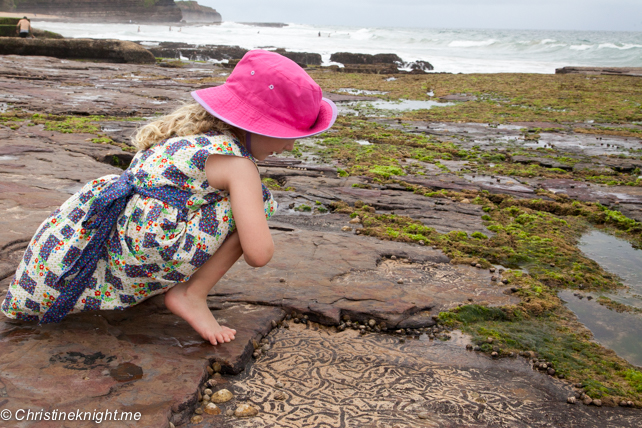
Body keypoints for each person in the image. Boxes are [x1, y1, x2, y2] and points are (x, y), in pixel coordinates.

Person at [0, 50, 337, 346]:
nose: (290, 147)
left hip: (115, 237)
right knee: (259, 202)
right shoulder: (238, 166)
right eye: (286, 135)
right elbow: (259, 254)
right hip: (148, 245)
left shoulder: (188, 137)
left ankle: (163, 286)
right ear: (255, 125)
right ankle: (191, 294)